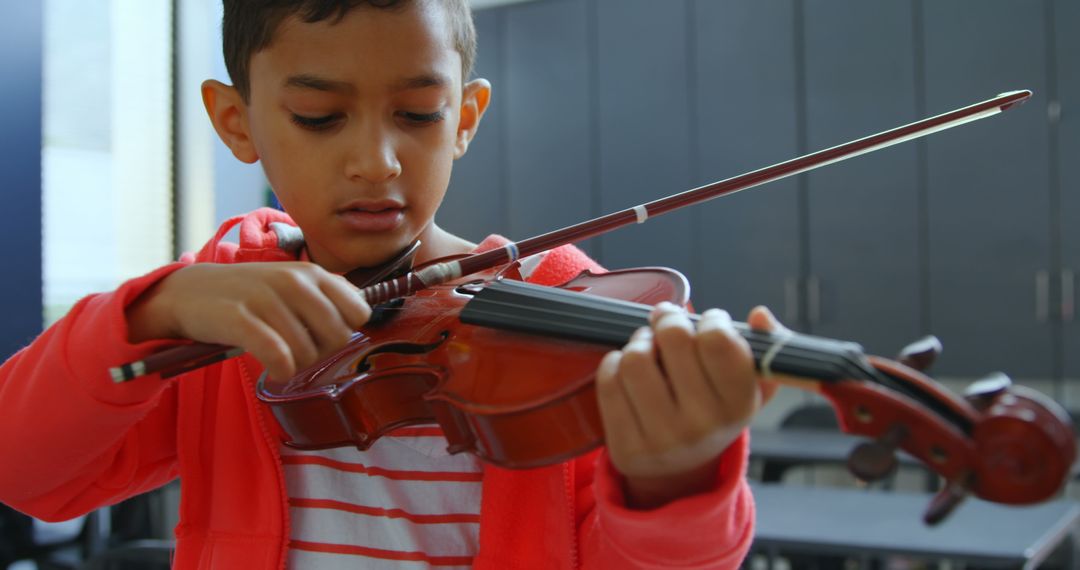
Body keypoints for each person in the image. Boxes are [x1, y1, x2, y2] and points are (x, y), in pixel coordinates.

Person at [0, 1, 781, 567]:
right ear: (236, 122)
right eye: (317, 116)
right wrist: (155, 307)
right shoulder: (220, 311)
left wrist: (672, 480)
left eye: (418, 112)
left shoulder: (567, 316)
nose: (377, 161)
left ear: (466, 117)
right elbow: (25, 471)